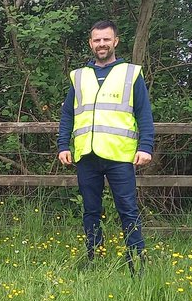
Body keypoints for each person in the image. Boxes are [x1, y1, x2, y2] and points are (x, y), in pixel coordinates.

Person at [57, 19, 155, 270]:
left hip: (120, 156)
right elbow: (68, 114)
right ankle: (94, 258)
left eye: (106, 39)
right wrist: (63, 145)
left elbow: (143, 113)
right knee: (90, 211)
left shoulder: (131, 74)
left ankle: (136, 262)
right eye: (97, 40)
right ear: (91, 43)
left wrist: (146, 147)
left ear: (115, 41)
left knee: (128, 210)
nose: (102, 44)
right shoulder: (78, 77)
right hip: (86, 155)